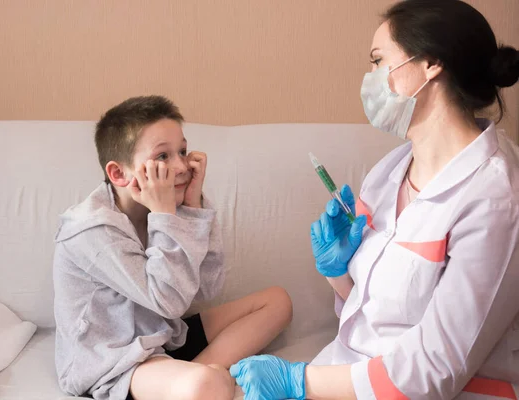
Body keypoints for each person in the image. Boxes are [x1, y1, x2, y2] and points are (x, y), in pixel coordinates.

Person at [229, 0, 519, 399]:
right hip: (348, 373)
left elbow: (436, 368)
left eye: (378, 60)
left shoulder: (495, 199)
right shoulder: (389, 171)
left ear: (431, 63)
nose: (370, 78)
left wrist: (299, 382)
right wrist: (337, 270)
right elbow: (380, 312)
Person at [53, 95, 293, 400]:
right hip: (116, 361)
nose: (181, 166)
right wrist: (166, 217)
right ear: (119, 174)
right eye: (163, 157)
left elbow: (207, 290)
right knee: (208, 385)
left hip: (162, 335)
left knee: (277, 302)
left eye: (182, 151)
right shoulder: (91, 230)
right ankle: (195, 379)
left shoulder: (167, 205)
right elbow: (169, 301)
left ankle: (192, 374)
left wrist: (193, 209)